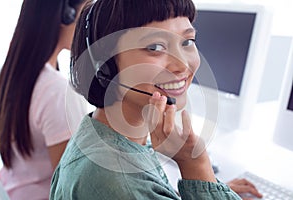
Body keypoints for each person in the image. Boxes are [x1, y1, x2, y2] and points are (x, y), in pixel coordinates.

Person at [50, 0, 259, 199]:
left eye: (187, 41)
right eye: (155, 47)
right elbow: (125, 189)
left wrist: (204, 189)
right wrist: (195, 166)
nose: (182, 64)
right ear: (105, 66)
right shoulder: (116, 178)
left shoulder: (103, 135)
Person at [0, 0, 87, 199]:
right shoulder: (55, 90)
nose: (89, 26)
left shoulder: (16, 76)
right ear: (66, 15)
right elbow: (70, 187)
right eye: (86, 14)